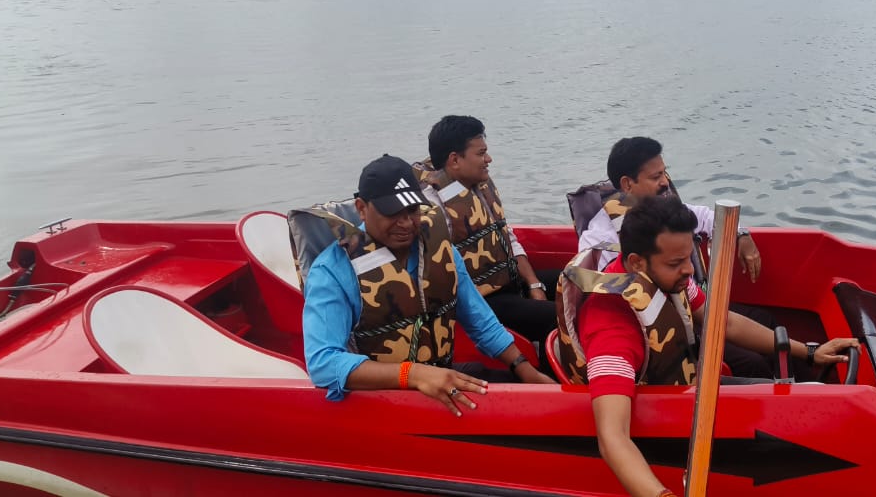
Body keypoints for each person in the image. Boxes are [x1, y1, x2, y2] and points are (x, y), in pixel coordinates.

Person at [557, 196, 859, 497]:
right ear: (637, 262)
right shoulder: (611, 328)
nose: (689, 270)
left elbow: (725, 323)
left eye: (688, 257)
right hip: (667, 419)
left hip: (691, 387)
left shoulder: (663, 276)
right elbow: (612, 437)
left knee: (807, 395)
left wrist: (809, 351)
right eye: (676, 263)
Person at [302, 154, 553, 415]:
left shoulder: (441, 251)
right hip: (381, 400)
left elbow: (481, 321)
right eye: (392, 213)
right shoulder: (332, 272)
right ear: (361, 208)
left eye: (412, 210)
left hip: (440, 376)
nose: (406, 223)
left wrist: (525, 369)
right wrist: (413, 374)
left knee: (527, 396)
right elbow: (323, 363)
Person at [574, 136, 777, 379]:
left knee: (767, 320)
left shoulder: (666, 212)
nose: (665, 182)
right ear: (627, 184)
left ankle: (804, 376)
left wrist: (741, 234)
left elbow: (708, 217)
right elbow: (616, 298)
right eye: (655, 177)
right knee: (753, 362)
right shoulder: (598, 240)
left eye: (664, 173)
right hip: (662, 325)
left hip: (690, 302)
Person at [412, 115, 557, 351]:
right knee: (556, 316)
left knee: (575, 283)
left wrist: (534, 284)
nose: (488, 159)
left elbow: (507, 237)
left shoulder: (478, 186)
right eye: (481, 154)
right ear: (454, 160)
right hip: (483, 299)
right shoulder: (432, 208)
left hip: (510, 280)